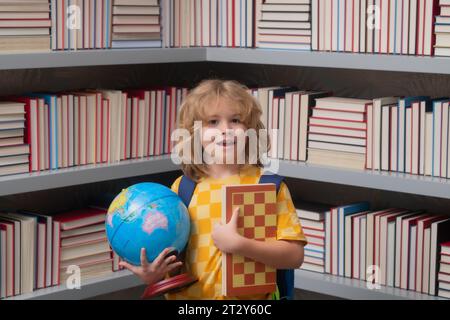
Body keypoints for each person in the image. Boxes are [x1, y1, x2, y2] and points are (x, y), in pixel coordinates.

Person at [120, 79, 307, 300]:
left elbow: (294, 256)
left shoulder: (267, 187)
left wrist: (241, 245)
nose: (225, 130)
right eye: (213, 122)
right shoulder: (183, 189)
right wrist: (155, 275)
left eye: (235, 120)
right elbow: (174, 261)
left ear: (250, 130)